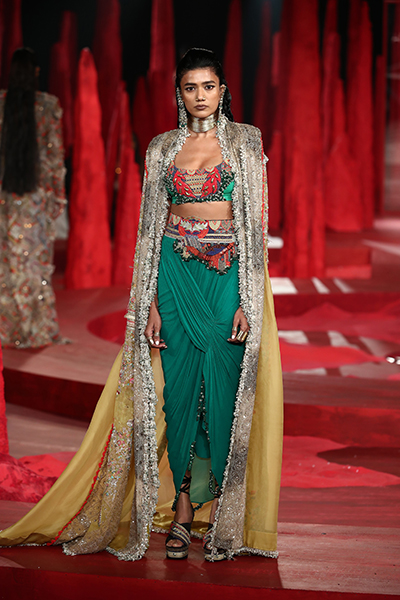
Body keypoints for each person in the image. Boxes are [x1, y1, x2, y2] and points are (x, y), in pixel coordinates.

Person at [0, 48, 283, 562]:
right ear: (180, 93)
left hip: (226, 279)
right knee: (179, 397)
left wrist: (248, 298)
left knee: (222, 395)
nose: (200, 96)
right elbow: (150, 231)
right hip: (173, 278)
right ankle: (182, 510)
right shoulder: (160, 148)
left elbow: (255, 225)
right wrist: (148, 302)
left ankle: (222, 513)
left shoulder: (245, 142)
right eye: (191, 88)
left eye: (209, 86)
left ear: (223, 91)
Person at [0, 48, 66, 349]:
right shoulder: (48, 106)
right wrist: (58, 198)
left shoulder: (2, 104)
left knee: (8, 263)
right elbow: (54, 158)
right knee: (35, 265)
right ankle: (34, 327)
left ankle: (9, 327)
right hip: (36, 199)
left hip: (5, 198)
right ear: (36, 72)